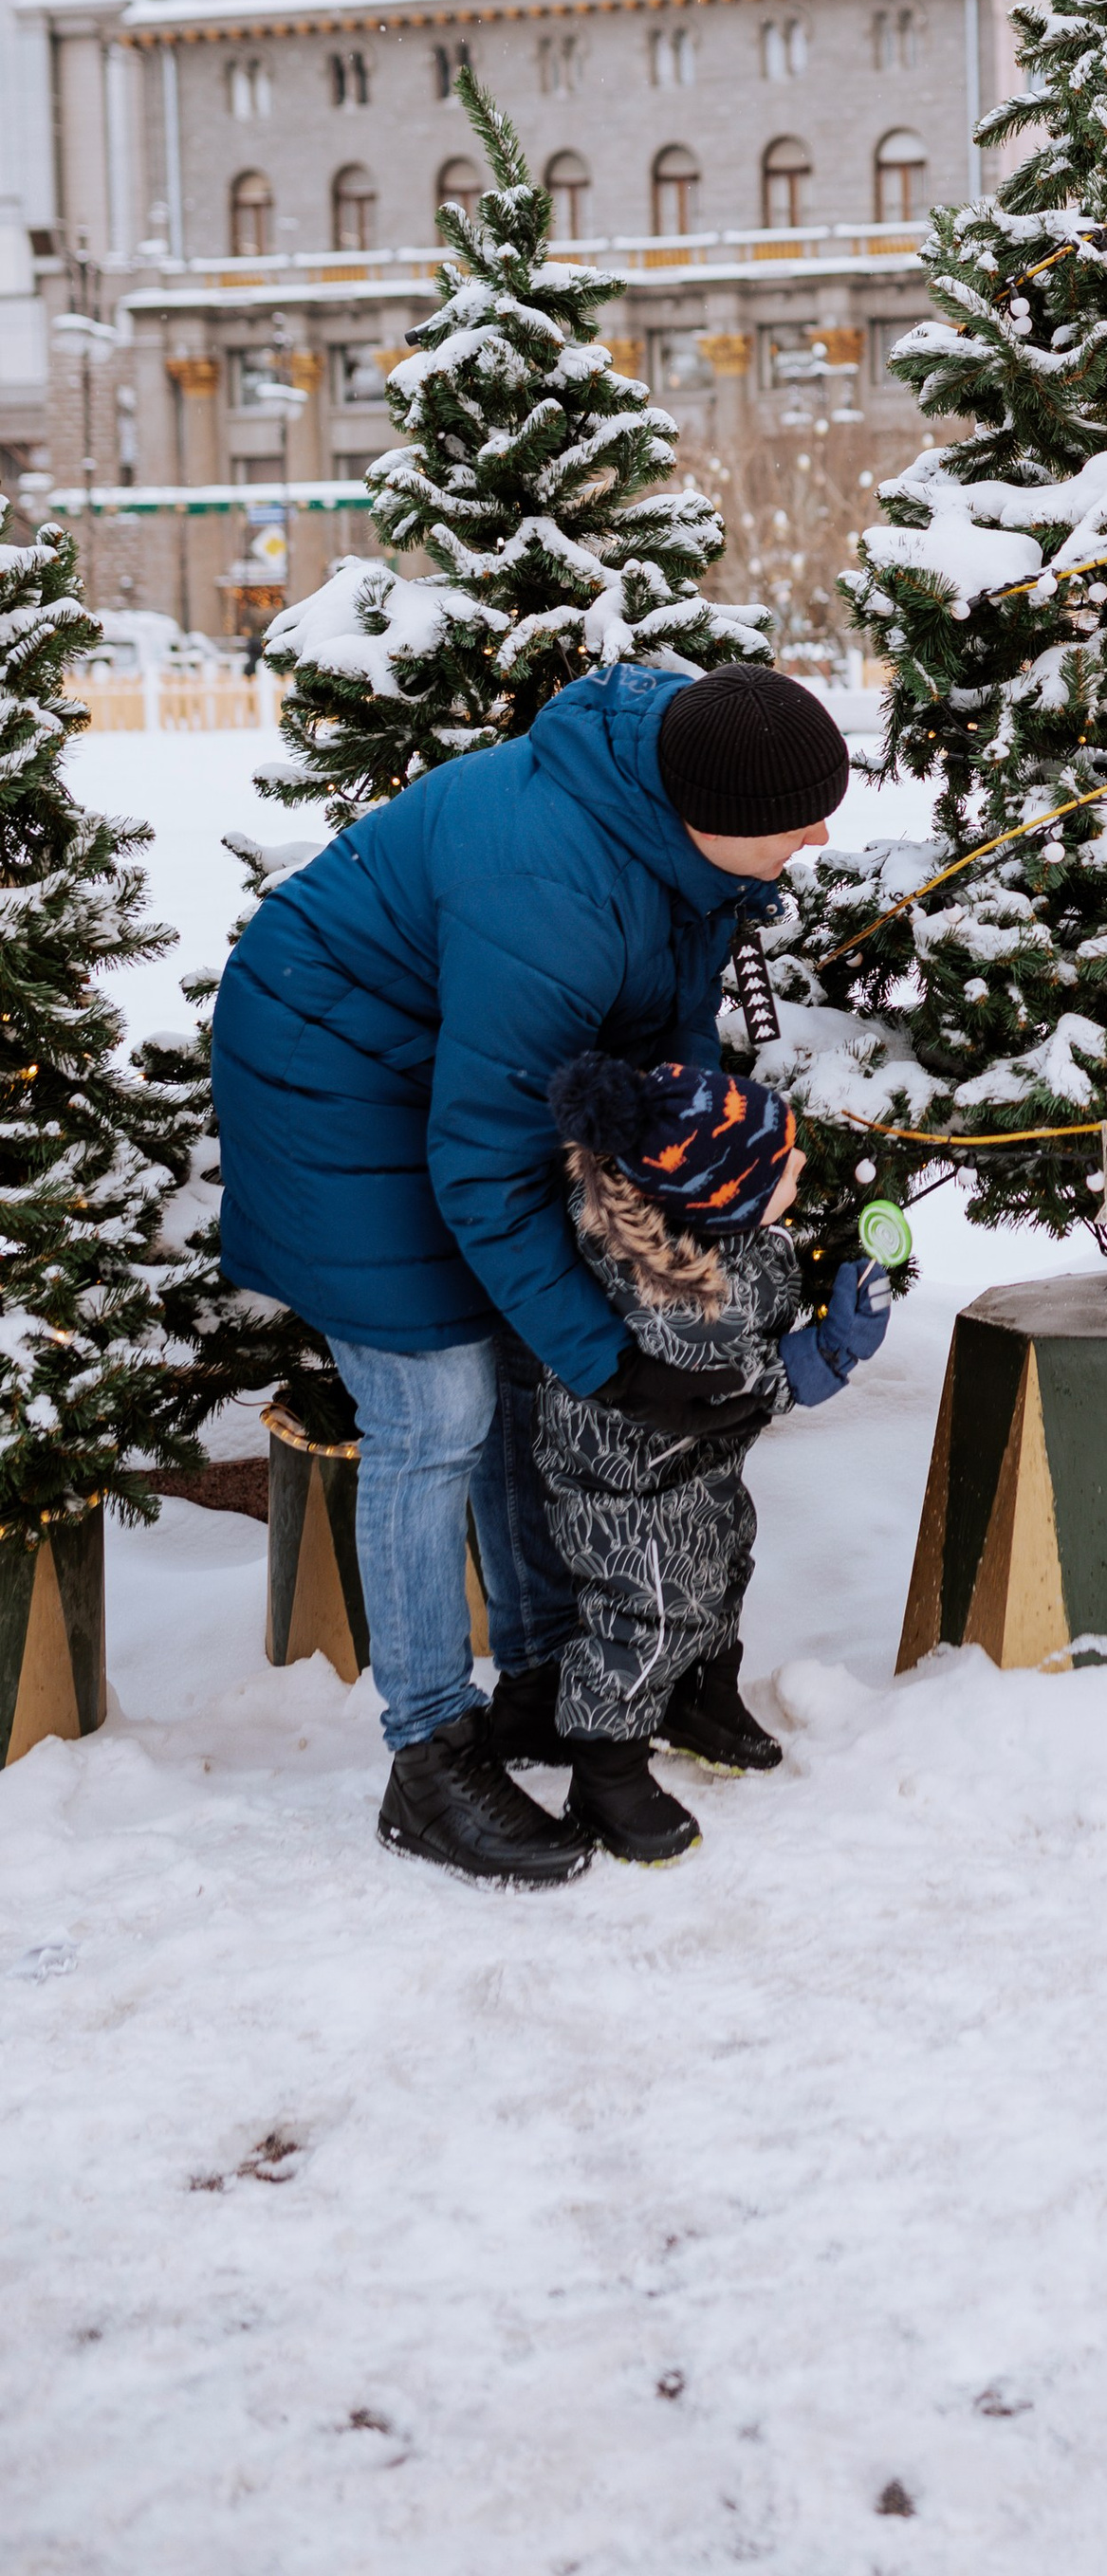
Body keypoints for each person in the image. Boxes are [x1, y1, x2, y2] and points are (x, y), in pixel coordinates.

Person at [212, 660, 852, 1887]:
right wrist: (610, 1361)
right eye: (796, 820)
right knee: (435, 1408)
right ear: (706, 815)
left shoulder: (684, 834)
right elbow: (485, 1170)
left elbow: (659, 1049)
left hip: (456, 1057)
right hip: (327, 1070)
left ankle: (547, 1680)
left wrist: (681, 1188)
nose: (819, 838)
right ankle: (427, 1754)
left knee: (521, 1360)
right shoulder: (551, 895)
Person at [527, 1049, 893, 1865]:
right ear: (719, 1200)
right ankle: (605, 1770)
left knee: (725, 1563)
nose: (801, 1167)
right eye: (781, 1168)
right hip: (628, 1494)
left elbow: (758, 1278)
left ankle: (699, 1697)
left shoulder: (705, 1229)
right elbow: (752, 1383)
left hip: (695, 1469)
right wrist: (836, 1349)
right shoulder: (678, 1303)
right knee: (649, 1613)